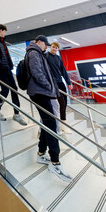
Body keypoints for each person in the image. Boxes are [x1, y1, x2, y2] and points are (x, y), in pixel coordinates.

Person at [26, 35, 72, 182]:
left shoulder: (37, 53)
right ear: (39, 42)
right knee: (51, 124)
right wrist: (49, 86)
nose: (46, 47)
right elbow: (37, 73)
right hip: (40, 92)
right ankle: (55, 162)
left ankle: (41, 154)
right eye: (45, 44)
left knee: (48, 123)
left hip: (42, 91)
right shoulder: (34, 53)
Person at [0, 24, 27, 125]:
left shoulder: (3, 41)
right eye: (4, 31)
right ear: (0, 30)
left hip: (7, 69)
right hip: (1, 70)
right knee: (5, 90)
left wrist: (10, 65)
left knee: (14, 89)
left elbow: (5, 55)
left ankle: (16, 114)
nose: (5, 33)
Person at [46, 42, 72, 134]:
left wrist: (68, 82)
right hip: (52, 83)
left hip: (60, 82)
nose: (54, 49)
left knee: (64, 103)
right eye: (53, 47)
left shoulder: (58, 58)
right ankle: (58, 125)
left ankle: (63, 124)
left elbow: (63, 70)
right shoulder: (46, 56)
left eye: (56, 48)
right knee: (59, 102)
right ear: (50, 47)